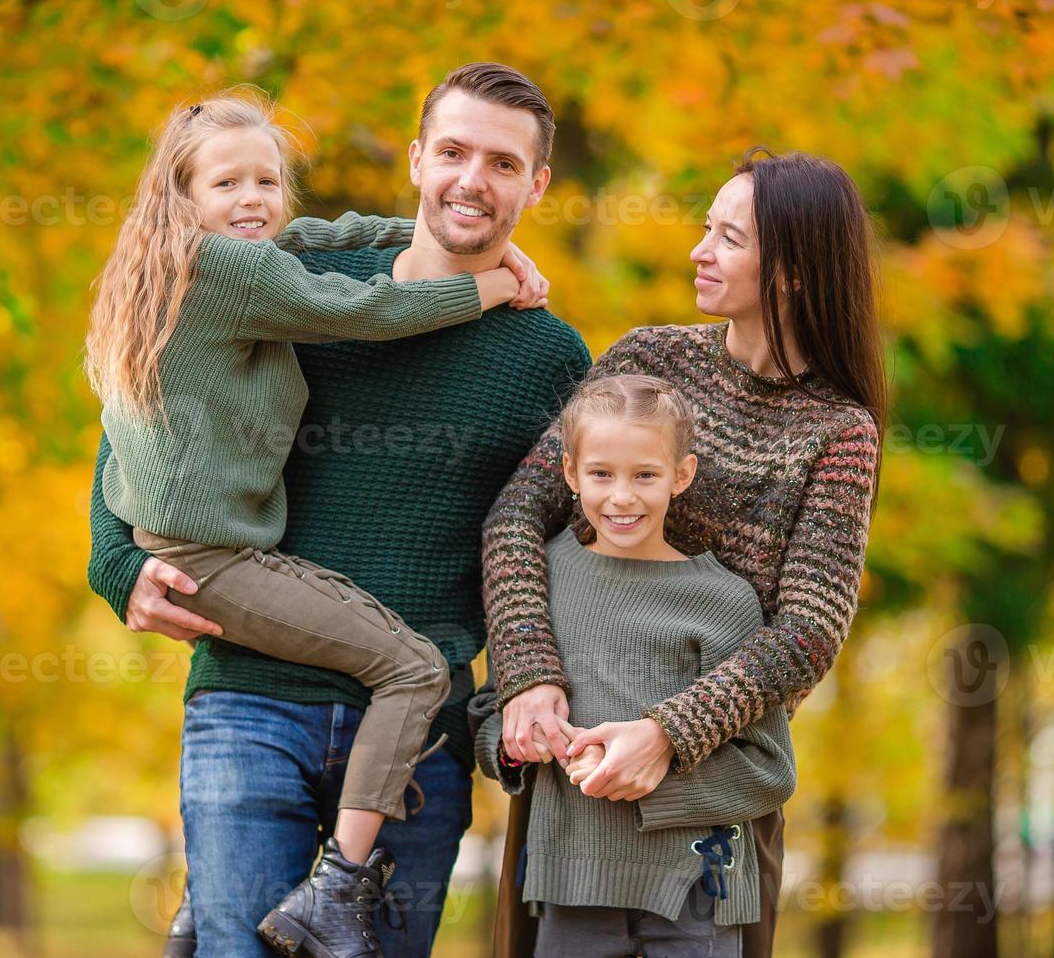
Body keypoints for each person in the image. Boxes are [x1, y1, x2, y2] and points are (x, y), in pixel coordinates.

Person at [87, 64, 591, 957]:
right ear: (416, 159)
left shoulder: (549, 354)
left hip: (419, 745)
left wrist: (523, 699)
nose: (472, 179)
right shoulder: (291, 271)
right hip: (251, 700)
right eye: (453, 152)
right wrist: (116, 562)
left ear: (537, 184)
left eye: (503, 164)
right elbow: (150, 404)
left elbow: (549, 552)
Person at [480, 148, 887, 956]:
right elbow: (516, 517)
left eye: (728, 238)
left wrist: (670, 733)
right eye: (708, 228)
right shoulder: (648, 361)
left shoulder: (839, 431)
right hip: (580, 784)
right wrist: (529, 676)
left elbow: (808, 629)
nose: (699, 252)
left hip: (715, 799)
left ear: (795, 271)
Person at [472, 374, 797, 957]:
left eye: (645, 475)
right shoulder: (537, 580)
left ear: (682, 475)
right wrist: (515, 743)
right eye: (601, 474)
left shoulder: (724, 600)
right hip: (570, 884)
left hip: (699, 888)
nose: (622, 497)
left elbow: (770, 770)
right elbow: (492, 708)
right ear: (570, 474)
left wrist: (652, 780)